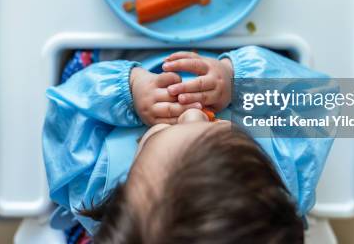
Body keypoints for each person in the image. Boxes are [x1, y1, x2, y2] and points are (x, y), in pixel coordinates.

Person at [43, 46, 333, 243]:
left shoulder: (94, 190)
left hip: (128, 56)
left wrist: (126, 90)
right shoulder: (282, 182)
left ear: (119, 197)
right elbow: (319, 100)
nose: (193, 113)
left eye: (156, 135)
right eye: (215, 125)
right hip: (239, 51)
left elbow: (67, 113)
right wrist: (238, 80)